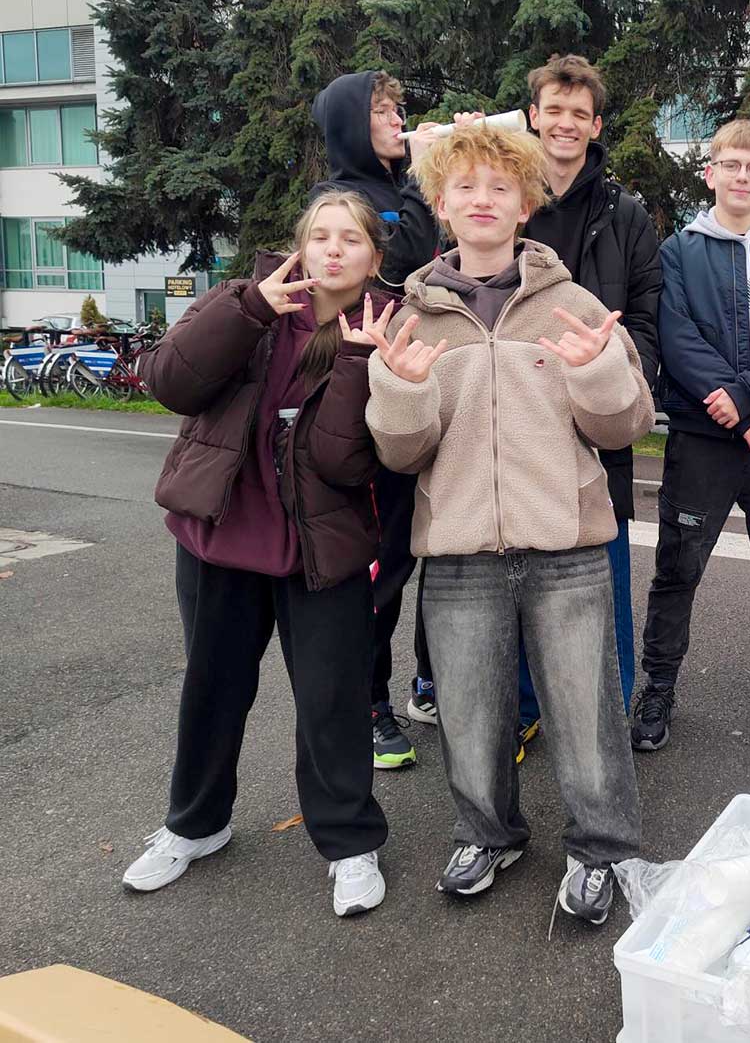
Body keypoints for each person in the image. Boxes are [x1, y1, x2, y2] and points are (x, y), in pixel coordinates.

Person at [365, 124, 654, 923]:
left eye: (500, 187)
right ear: (441, 204)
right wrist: (399, 390)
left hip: (567, 546)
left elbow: (625, 424)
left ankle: (602, 846)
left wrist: (597, 369)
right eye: (465, 186)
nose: (483, 199)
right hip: (458, 550)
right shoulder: (412, 318)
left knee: (587, 710)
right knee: (468, 710)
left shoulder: (573, 305)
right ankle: (487, 833)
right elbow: (400, 451)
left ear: (526, 205)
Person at [124, 191, 395, 917]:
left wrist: (357, 362)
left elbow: (347, 463)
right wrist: (247, 310)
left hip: (322, 544)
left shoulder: (385, 326)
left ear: (374, 257)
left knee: (333, 699)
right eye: (320, 235)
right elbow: (170, 383)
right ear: (300, 244)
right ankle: (195, 824)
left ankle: (349, 841)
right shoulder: (242, 299)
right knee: (212, 688)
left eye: (351, 239)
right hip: (220, 534)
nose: (333, 249)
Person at [631, 118, 750, 750]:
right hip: (702, 442)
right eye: (731, 165)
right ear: (710, 172)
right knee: (677, 571)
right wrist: (741, 412)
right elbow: (677, 334)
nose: (742, 176)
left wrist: (748, 397)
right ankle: (658, 687)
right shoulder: (677, 251)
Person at [310, 70, 483, 769]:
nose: (396, 121)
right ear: (352, 124)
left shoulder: (403, 187)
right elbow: (401, 258)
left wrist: (458, 153)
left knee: (432, 551)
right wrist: (416, 172)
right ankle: (369, 701)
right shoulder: (338, 201)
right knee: (379, 570)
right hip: (370, 406)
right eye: (381, 112)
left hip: (427, 391)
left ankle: (427, 681)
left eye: (398, 110)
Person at [511, 53, 662, 752]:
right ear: (533, 116)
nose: (566, 124)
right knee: (516, 577)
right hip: (516, 420)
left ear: (596, 125)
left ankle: (609, 709)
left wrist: (619, 386)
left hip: (596, 423)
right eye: (554, 110)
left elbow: (648, 317)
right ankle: (524, 706)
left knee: (604, 580)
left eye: (580, 113)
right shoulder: (504, 199)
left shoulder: (626, 214)